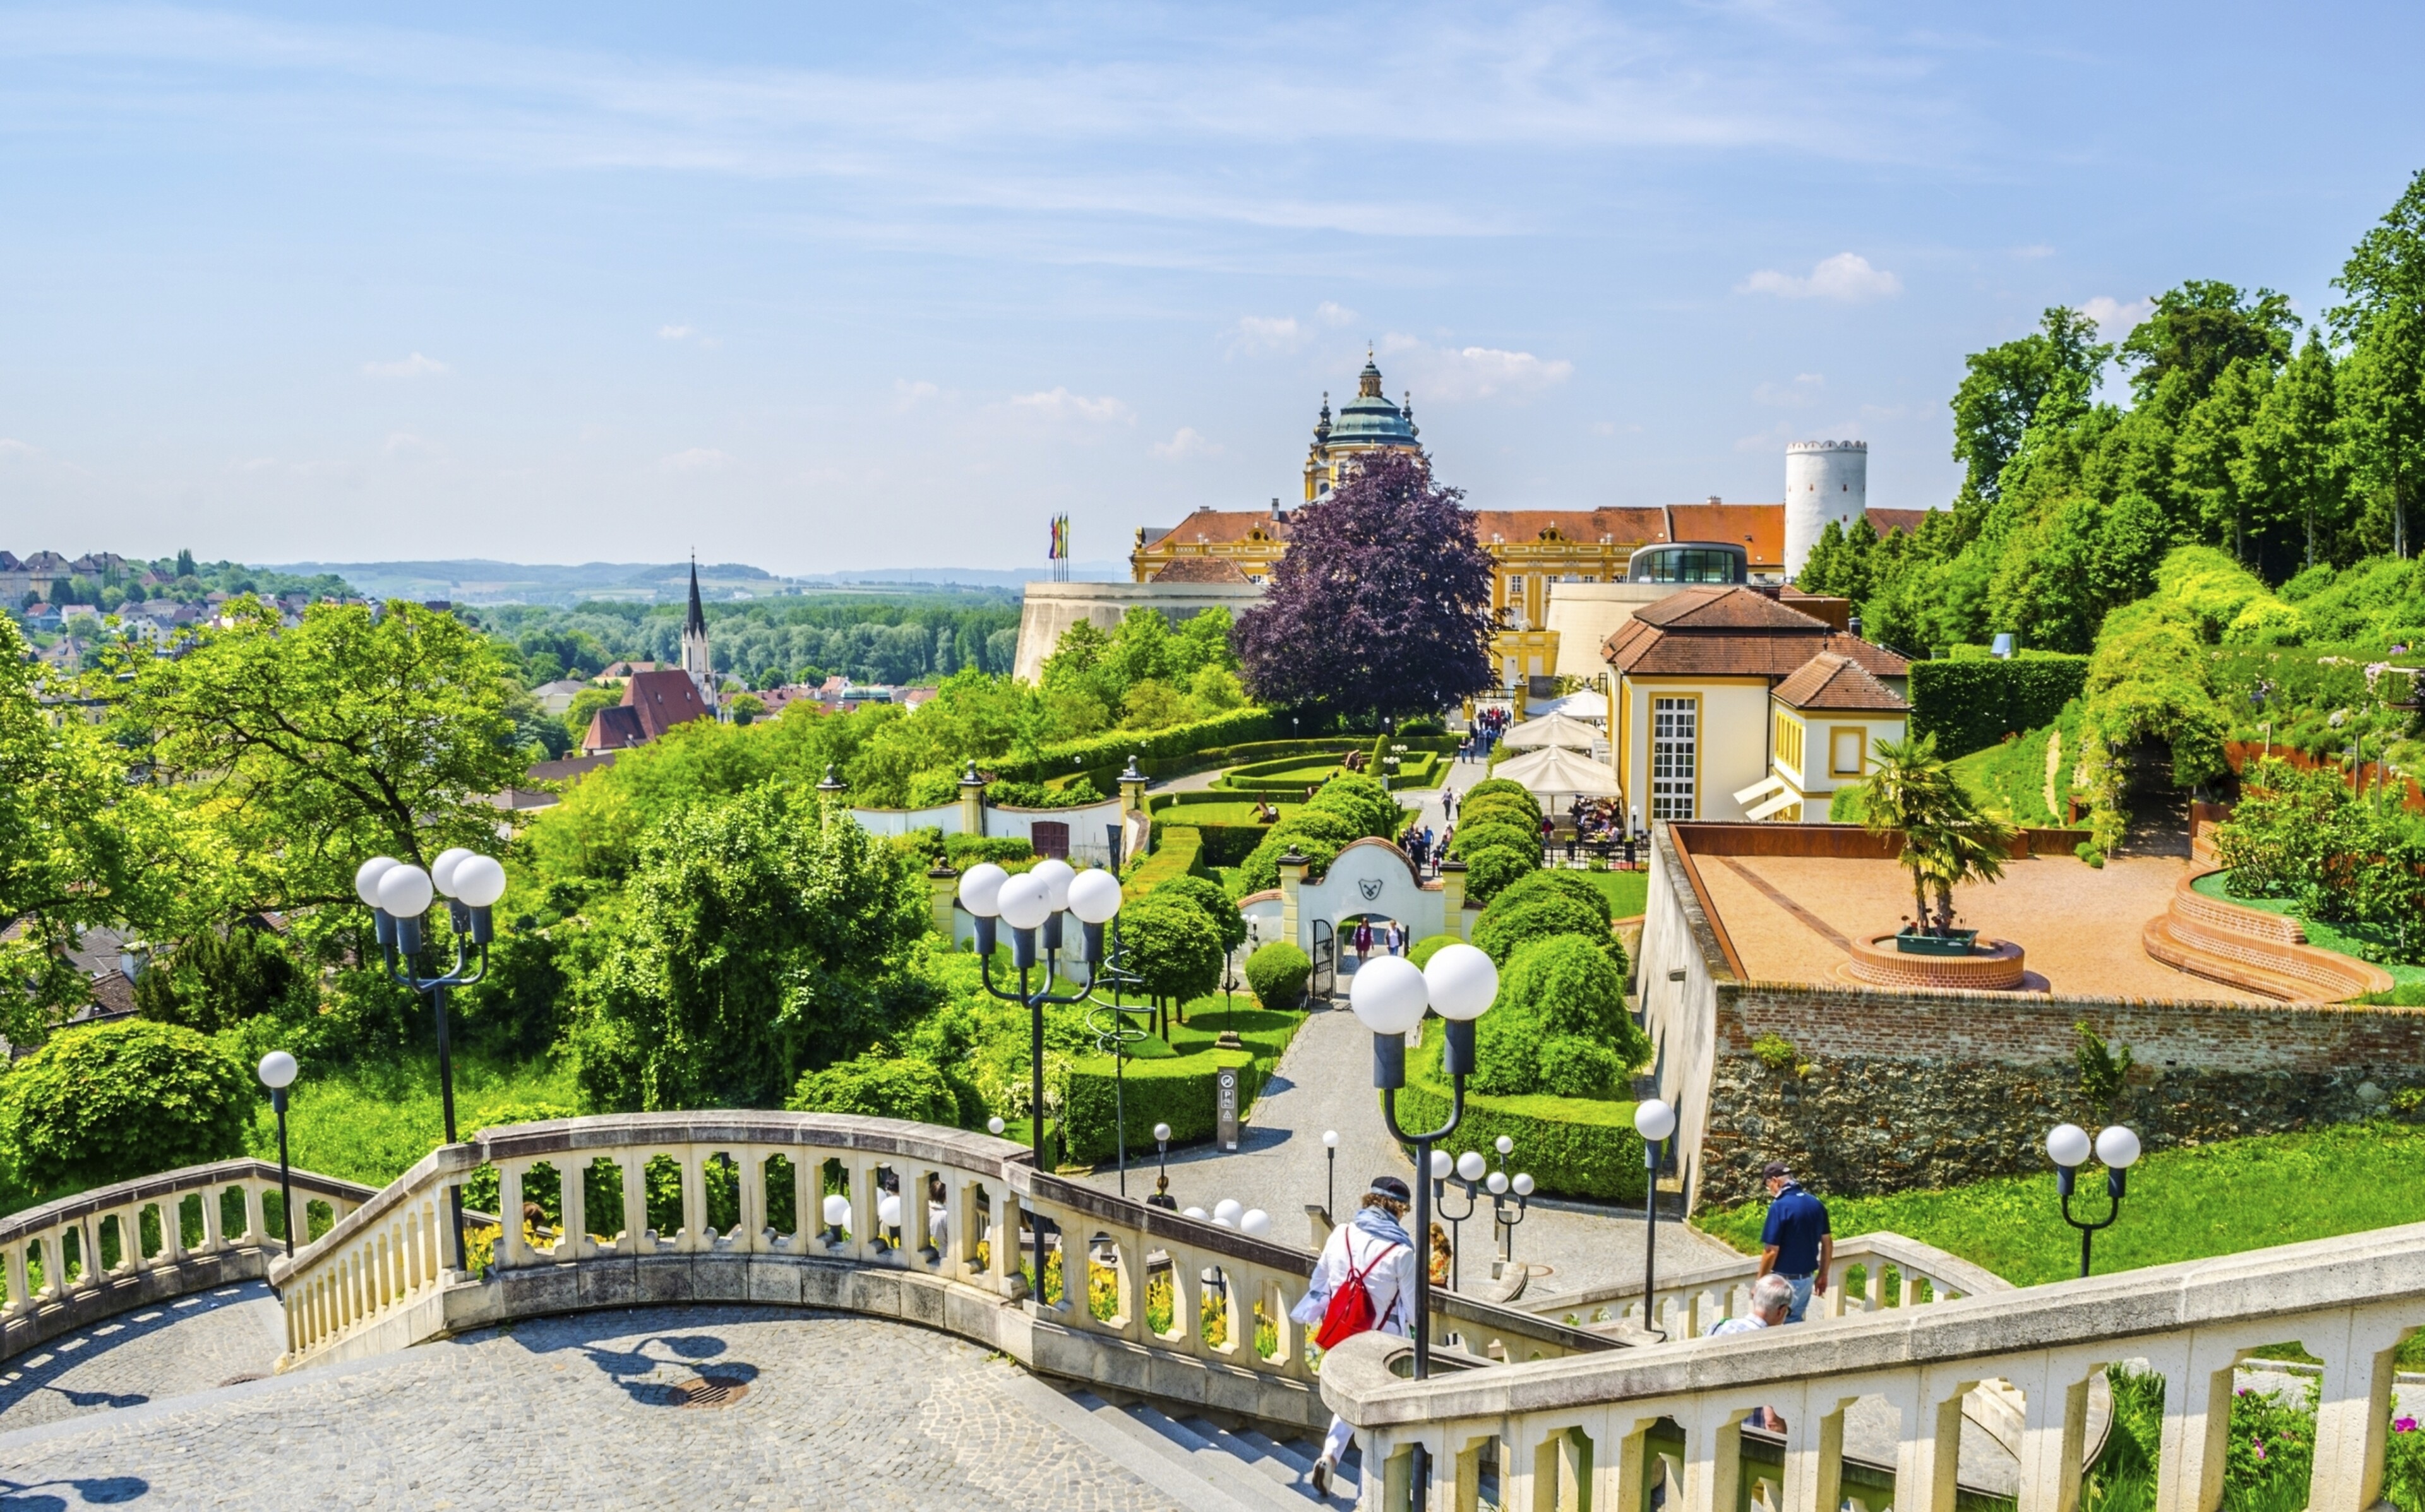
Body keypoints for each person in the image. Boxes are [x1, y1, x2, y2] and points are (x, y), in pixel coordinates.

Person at [1291, 1177, 1420, 1497]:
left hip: (1344, 1332)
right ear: (1399, 1208)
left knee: (1351, 1402)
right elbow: (1416, 1312)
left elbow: (1319, 1282)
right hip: (1381, 1342)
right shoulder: (1401, 1252)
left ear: (1369, 1200)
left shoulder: (1341, 1233)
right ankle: (1367, 1496)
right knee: (1377, 1420)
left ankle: (1330, 1456)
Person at [1708, 1273, 1796, 1431]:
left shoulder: (1719, 1327)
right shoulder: (1772, 1349)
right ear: (1781, 1311)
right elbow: (1772, 1421)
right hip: (1746, 1435)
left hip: (1710, 1425)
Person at [1756, 1161, 1831, 1323]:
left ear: (1776, 1181)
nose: (1770, 1191)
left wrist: (1760, 1283)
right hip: (1806, 1279)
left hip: (1784, 1281)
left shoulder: (1779, 1206)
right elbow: (1827, 1243)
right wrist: (1823, 1274)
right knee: (1795, 1321)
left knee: (1774, 1327)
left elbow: (1771, 1251)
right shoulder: (1816, 1203)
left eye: (1769, 1186)